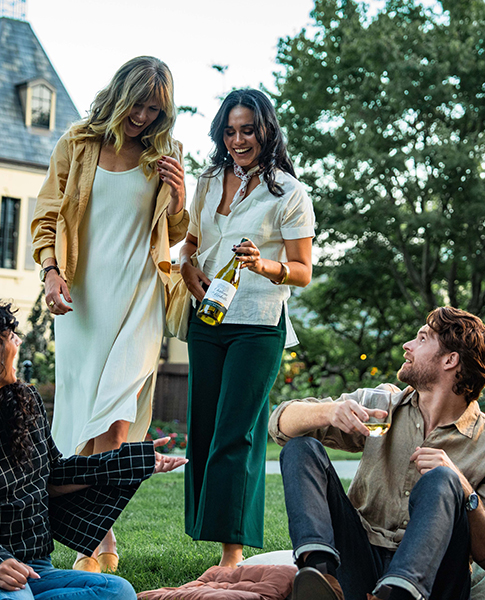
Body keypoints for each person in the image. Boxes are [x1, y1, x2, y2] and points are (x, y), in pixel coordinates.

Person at [0, 299, 187, 600]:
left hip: (37, 567)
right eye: (8, 335)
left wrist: (132, 461)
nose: (19, 341)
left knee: (119, 591)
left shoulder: (25, 405)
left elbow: (53, 473)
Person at [30, 55, 188, 572]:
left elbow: (179, 232)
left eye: (154, 109)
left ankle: (89, 542)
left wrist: (181, 194)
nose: (143, 117)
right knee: (85, 420)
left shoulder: (166, 154)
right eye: (138, 104)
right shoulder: (76, 144)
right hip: (84, 299)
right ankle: (99, 534)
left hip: (141, 295)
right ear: (120, 94)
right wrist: (50, 272)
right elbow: (47, 214)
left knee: (117, 417)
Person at [270, 307, 485, 600]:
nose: (408, 345)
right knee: (302, 447)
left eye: (422, 338)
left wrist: (463, 489)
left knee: (444, 478)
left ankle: (399, 592)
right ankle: (320, 576)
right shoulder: (380, 406)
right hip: (359, 562)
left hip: (435, 579)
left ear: (450, 360)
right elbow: (279, 425)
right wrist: (328, 411)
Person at [177, 88, 315, 568]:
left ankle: (231, 553)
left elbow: (302, 270)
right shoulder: (208, 180)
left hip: (257, 323)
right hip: (208, 318)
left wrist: (264, 265)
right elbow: (191, 243)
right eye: (230, 131)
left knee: (237, 432)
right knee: (204, 431)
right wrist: (187, 268)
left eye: (248, 130)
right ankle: (208, 532)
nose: (238, 140)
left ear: (266, 131)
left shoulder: (290, 192)